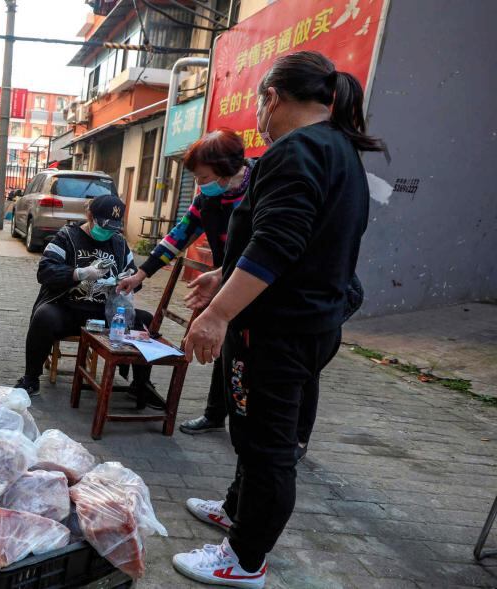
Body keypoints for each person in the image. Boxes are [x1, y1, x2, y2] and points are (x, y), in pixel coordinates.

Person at [171, 51, 383, 587]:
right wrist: (224, 274)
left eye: (262, 103)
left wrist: (217, 316)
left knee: (267, 447)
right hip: (310, 323)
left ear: (272, 98)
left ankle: (243, 559)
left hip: (276, 333)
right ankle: (236, 508)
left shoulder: (297, 151)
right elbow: (298, 243)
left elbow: (277, 242)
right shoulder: (338, 150)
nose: (260, 116)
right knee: (255, 434)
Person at [117, 129, 253, 435]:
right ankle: (216, 413)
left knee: (257, 356)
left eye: (203, 177)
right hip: (226, 278)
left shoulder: (261, 188)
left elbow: (266, 246)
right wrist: (142, 273)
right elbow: (180, 234)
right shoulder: (208, 198)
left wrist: (223, 275)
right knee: (226, 346)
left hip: (258, 281)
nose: (199, 185)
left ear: (226, 170)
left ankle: (289, 434)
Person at [14, 194, 162, 408]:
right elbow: (45, 272)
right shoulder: (66, 237)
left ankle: (140, 384)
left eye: (113, 228)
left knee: (146, 321)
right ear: (89, 216)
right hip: (69, 310)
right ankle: (30, 378)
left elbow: (135, 280)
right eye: (104, 226)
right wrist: (79, 273)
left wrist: (126, 281)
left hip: (107, 313)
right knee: (44, 316)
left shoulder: (119, 243)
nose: (108, 233)